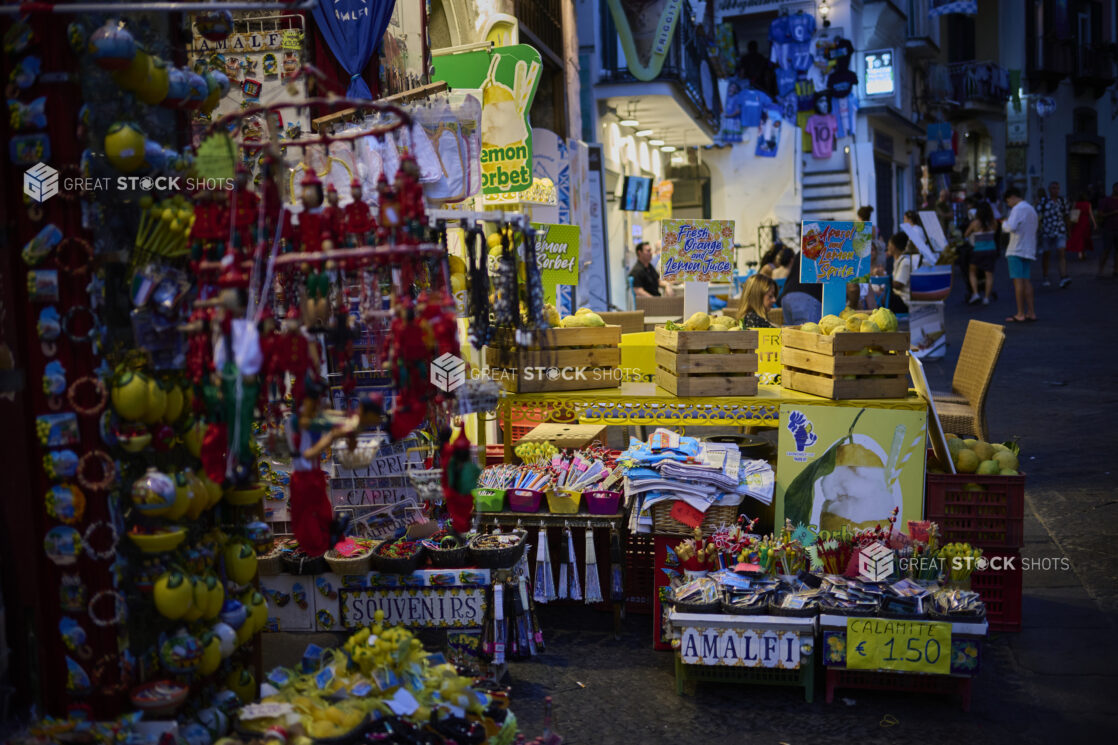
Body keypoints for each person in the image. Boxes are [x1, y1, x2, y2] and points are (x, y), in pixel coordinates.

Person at [1002, 186, 1039, 322]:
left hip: (1016, 249)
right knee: (1026, 281)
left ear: (1012, 197)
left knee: (1018, 282)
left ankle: (1020, 313)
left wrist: (1004, 224)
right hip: (1028, 249)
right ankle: (1031, 312)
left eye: (1008, 201)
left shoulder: (1017, 209)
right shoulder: (1031, 209)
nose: (1008, 204)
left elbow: (1010, 227)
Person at [1036, 181, 1071, 287]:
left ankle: (1063, 276)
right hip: (1047, 231)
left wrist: (1069, 230)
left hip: (1060, 230)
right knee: (1046, 254)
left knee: (1061, 253)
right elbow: (1038, 216)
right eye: (1053, 188)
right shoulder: (1043, 202)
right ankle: (1045, 276)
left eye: (1057, 188)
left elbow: (1066, 215)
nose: (1055, 190)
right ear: (1049, 190)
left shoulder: (1062, 201)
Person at [964, 202, 998, 305]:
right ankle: (986, 298)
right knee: (989, 275)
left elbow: (966, 234)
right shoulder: (993, 222)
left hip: (978, 250)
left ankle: (975, 293)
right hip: (991, 250)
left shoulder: (975, 223)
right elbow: (995, 233)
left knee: (972, 272)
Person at [777, 251, 822, 324]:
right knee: (809, 333)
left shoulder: (804, 248)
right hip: (807, 296)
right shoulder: (828, 249)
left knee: (790, 333)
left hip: (787, 295)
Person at [885, 232, 914, 313]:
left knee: (881, 296)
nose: (887, 248)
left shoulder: (905, 262)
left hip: (904, 301)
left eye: (889, 245)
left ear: (894, 247)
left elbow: (898, 285)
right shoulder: (898, 261)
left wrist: (885, 278)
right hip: (898, 297)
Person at [1067, 191, 1096, 261]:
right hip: (1085, 222)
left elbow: (1073, 213)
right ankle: (1083, 252)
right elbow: (1091, 214)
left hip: (1078, 222)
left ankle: (1080, 253)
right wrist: (1094, 223)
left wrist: (1070, 223)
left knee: (1079, 237)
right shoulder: (1088, 204)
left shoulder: (1076, 203)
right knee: (1085, 238)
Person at [1096, 182, 1118, 278]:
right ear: (1113, 188)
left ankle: (1116, 270)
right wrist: (1113, 213)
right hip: (1108, 229)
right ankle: (1100, 271)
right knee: (1106, 250)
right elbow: (1100, 214)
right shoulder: (1106, 200)